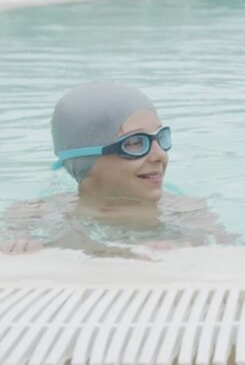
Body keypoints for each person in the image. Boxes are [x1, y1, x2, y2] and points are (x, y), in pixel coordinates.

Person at [0, 82, 231, 256]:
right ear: (86, 159)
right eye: (135, 143)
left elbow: (230, 257)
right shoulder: (33, 215)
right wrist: (17, 249)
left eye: (160, 137)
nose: (160, 155)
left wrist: (186, 252)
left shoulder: (188, 212)